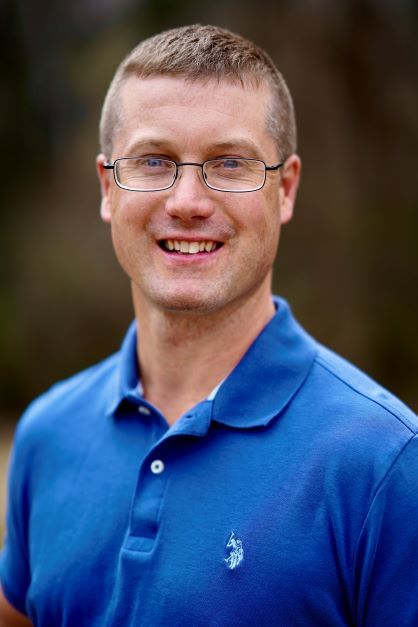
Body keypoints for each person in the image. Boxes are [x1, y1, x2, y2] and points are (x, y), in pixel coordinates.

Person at [1, 24, 417, 627]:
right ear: (107, 188)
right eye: (153, 161)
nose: (188, 201)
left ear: (286, 189)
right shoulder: (47, 436)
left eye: (229, 163)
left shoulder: (386, 464)